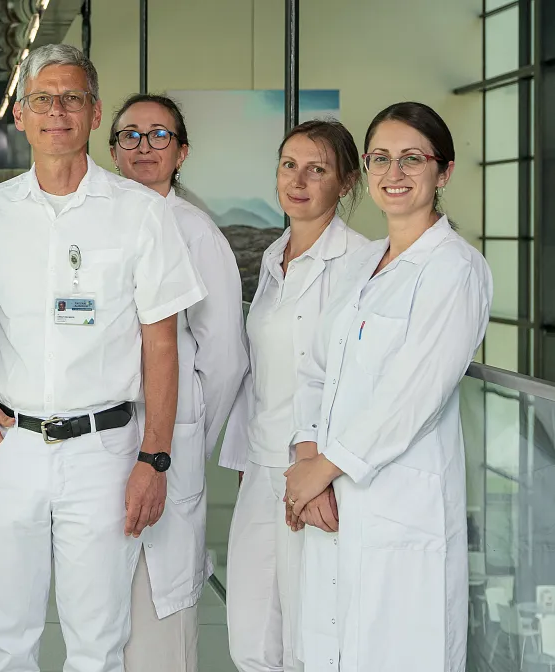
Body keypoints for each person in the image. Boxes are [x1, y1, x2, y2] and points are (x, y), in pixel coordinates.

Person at [0, 44, 205, 672]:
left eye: (72, 98)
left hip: (103, 453)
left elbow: (162, 344)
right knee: (4, 635)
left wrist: (155, 457)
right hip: (8, 446)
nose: (57, 111)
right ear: (20, 114)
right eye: (43, 99)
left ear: (94, 113)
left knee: (97, 641)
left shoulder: (140, 214)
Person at [283, 101, 487, 671]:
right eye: (380, 158)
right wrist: (308, 457)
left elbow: (413, 394)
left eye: (411, 159)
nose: (393, 173)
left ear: (443, 172)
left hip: (398, 508)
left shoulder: (455, 269)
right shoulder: (364, 262)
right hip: (330, 499)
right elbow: (316, 369)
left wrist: (323, 470)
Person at [216, 119, 368, 672]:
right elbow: (258, 372)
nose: (298, 180)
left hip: (318, 473)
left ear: (346, 182)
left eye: (317, 169)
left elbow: (355, 382)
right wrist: (244, 460)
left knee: (312, 638)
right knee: (251, 637)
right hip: (262, 468)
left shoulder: (361, 264)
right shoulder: (273, 258)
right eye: (289, 165)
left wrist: (322, 472)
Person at [107, 93, 246, 672]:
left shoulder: (195, 232)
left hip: (167, 445)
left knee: (160, 617)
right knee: (105, 617)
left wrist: (184, 433)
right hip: (102, 445)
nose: (145, 147)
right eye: (131, 135)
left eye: (160, 135)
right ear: (112, 149)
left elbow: (225, 355)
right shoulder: (102, 224)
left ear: (182, 152)